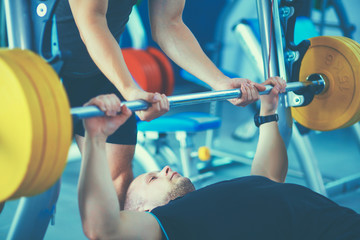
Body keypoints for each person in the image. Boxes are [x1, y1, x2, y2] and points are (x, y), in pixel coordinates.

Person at [78, 77, 360, 240]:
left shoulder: (212, 206)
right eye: (152, 178)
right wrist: (95, 139)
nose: (165, 168)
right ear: (142, 213)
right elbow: (102, 228)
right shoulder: (170, 223)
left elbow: (268, 178)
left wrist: (269, 109)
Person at [55, 0, 265, 207]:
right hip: (41, 69)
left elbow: (169, 24)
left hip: (95, 74)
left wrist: (219, 82)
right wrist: (130, 89)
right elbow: (91, 21)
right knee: (41, 190)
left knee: (116, 187)